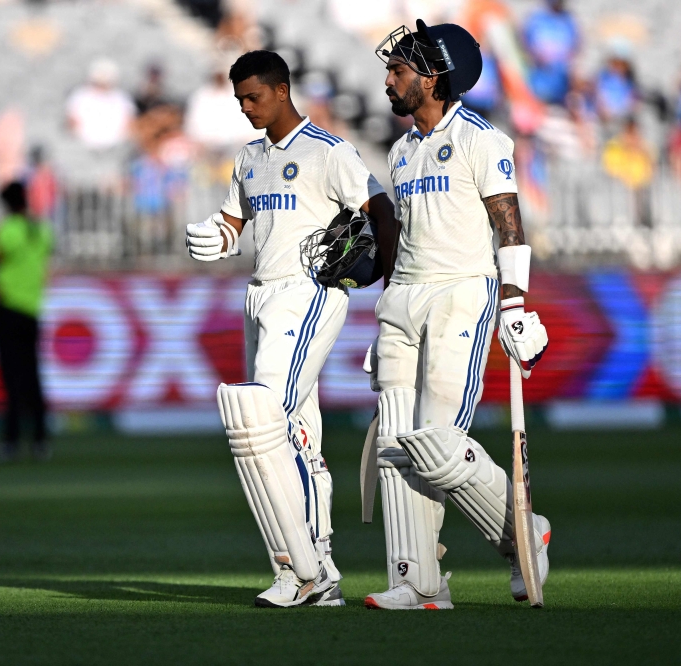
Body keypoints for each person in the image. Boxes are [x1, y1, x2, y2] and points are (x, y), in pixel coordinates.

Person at [186, 50, 397, 608]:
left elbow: (381, 211)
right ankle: (317, 565)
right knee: (298, 435)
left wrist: (387, 283)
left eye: (253, 96)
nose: (246, 107)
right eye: (239, 99)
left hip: (308, 292)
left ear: (282, 90)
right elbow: (236, 221)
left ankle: (298, 569)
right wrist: (215, 236)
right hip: (260, 294)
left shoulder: (328, 151)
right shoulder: (249, 157)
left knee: (261, 421)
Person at [364, 21, 552, 610]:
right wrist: (385, 302)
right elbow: (404, 243)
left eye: (398, 70)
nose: (388, 80)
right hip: (402, 299)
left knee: (437, 444)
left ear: (433, 78)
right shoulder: (401, 151)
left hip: (461, 296)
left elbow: (509, 225)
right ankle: (417, 582)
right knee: (396, 447)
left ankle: (523, 533)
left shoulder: (482, 139)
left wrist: (514, 303)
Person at [0, 182, 54, 462]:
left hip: (9, 307)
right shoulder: (41, 229)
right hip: (33, 308)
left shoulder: (6, 229)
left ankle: (11, 442)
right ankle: (40, 441)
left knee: (12, 379)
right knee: (33, 376)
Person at [65, 58, 136, 150]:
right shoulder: (80, 95)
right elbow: (71, 121)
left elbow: (130, 122)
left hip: (115, 144)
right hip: (84, 143)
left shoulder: (121, 97)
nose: (102, 81)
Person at [521, 0, 580, 105]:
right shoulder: (536, 19)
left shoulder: (568, 20)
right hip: (538, 81)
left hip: (562, 83)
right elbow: (525, 42)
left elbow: (576, 45)